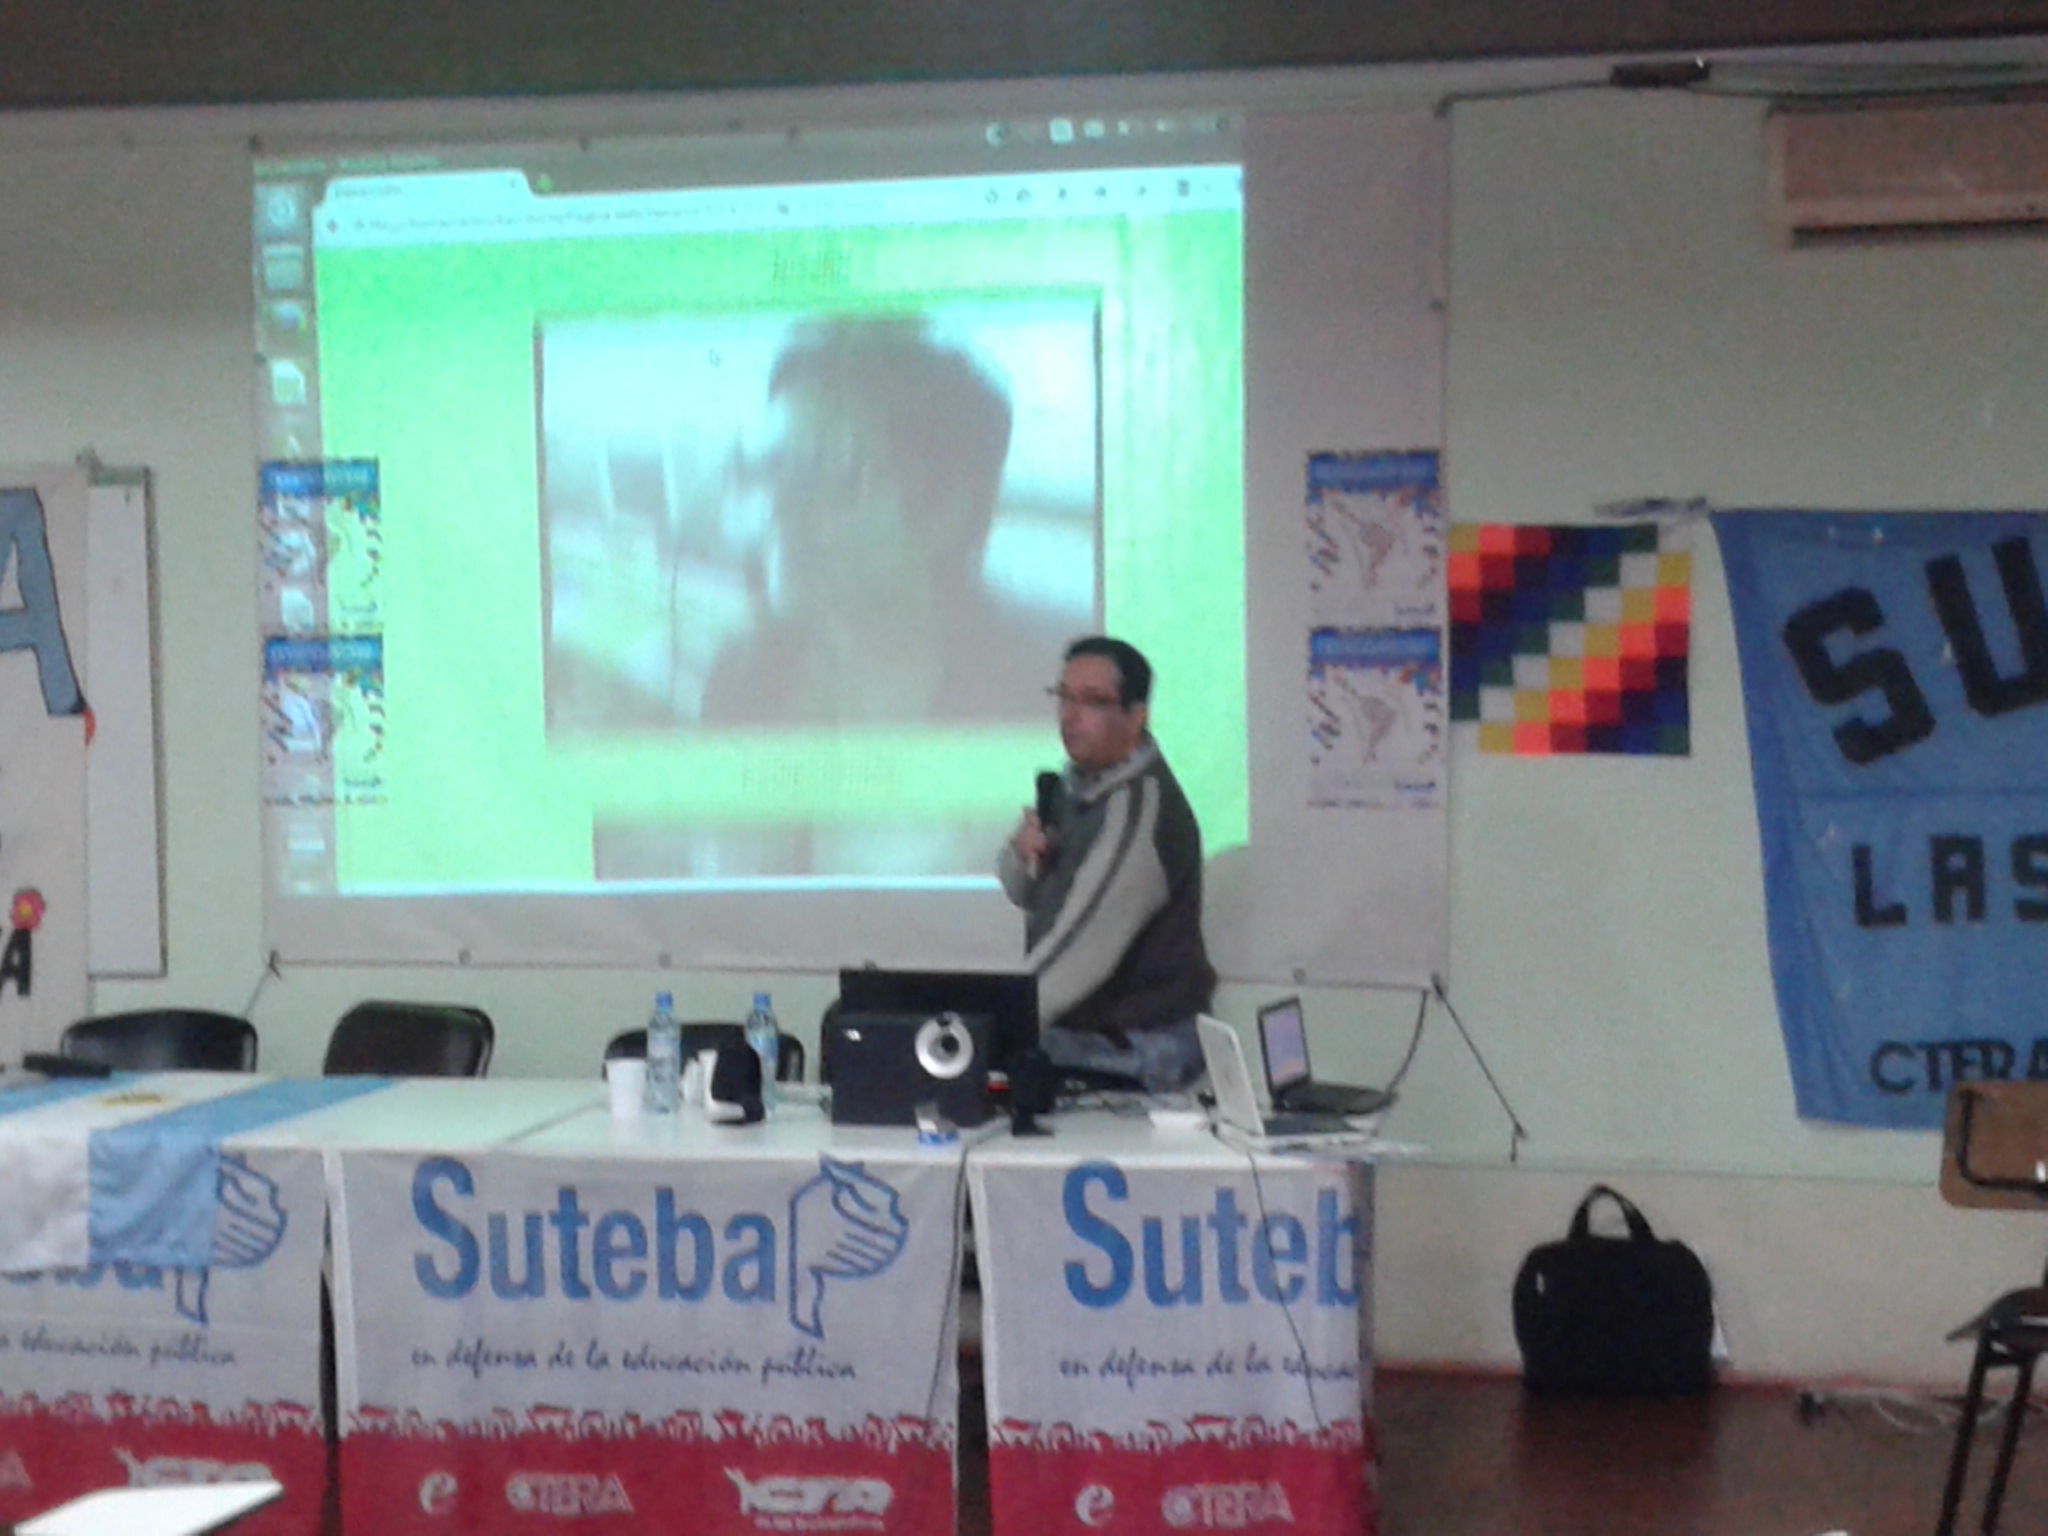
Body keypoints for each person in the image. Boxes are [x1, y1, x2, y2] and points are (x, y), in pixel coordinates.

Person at [699, 315, 1064, 727]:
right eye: (776, 468)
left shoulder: (1040, 704)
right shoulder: (741, 678)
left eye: (832, 474)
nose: (783, 506)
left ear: (944, 509)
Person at [998, 636, 1216, 1091]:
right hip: (1083, 1033)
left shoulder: (1139, 809)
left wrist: (991, 1022)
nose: (1069, 715)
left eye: (1092, 701)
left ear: (1136, 717)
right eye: (1064, 697)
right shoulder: (1077, 786)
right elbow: (1027, 892)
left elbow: (1082, 948)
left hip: (1137, 1045)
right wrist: (1020, 856)